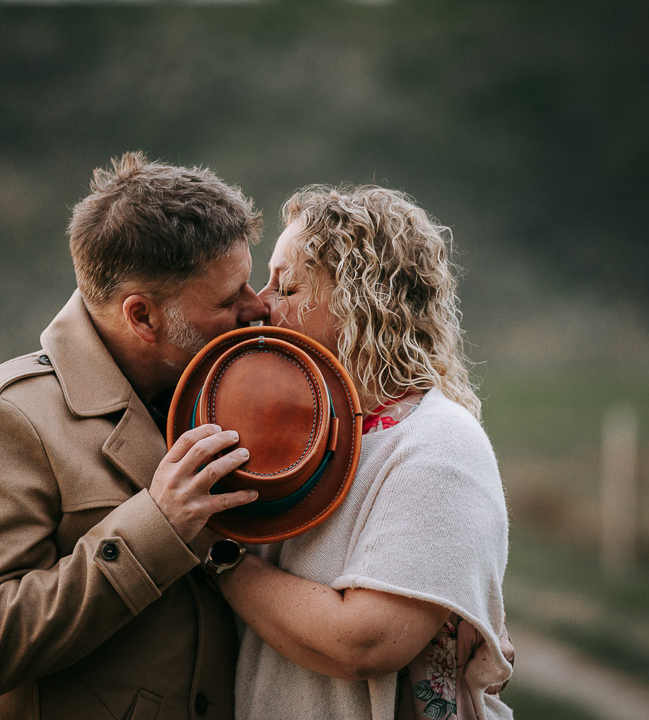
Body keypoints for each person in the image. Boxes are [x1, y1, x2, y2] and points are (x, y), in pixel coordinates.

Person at [0, 151, 267, 720]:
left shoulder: (224, 391)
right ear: (142, 316)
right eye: (230, 299)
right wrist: (157, 526)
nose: (259, 306)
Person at [212, 185, 513, 720]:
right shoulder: (301, 438)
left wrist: (216, 553)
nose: (259, 304)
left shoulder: (440, 445)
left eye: (287, 286)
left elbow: (366, 641)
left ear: (360, 301)